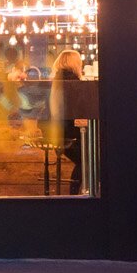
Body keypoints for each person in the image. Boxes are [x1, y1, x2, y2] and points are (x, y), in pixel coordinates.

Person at [51, 48, 87, 195]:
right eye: (79, 63)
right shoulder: (72, 81)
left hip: (58, 132)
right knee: (86, 160)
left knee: (85, 160)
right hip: (69, 134)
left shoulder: (58, 79)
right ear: (74, 63)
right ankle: (75, 194)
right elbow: (79, 106)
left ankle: (78, 192)